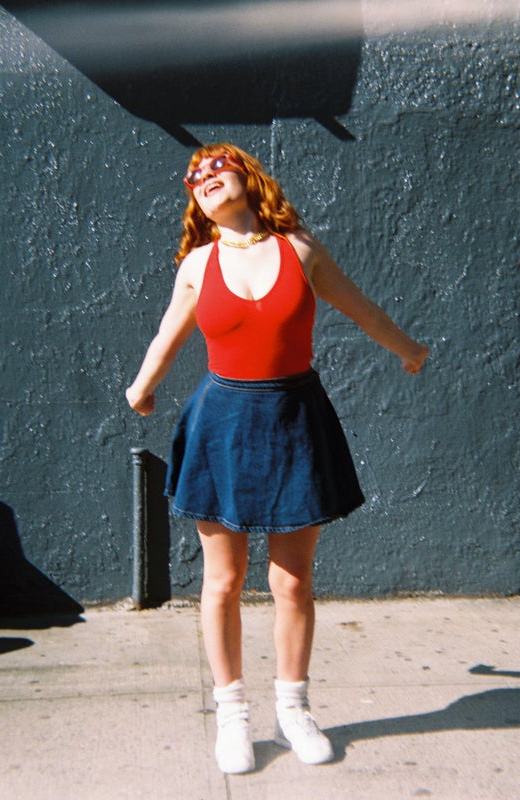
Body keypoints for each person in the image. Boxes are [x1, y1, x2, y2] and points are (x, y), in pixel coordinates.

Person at [126, 143, 429, 774]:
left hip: (295, 420)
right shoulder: (197, 264)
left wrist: (409, 349)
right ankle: (232, 714)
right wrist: (142, 386)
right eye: (193, 177)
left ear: (247, 176)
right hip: (221, 425)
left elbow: (362, 307)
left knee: (292, 581)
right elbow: (168, 334)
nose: (204, 179)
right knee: (224, 581)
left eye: (216, 168)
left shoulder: (302, 251)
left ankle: (294, 709)